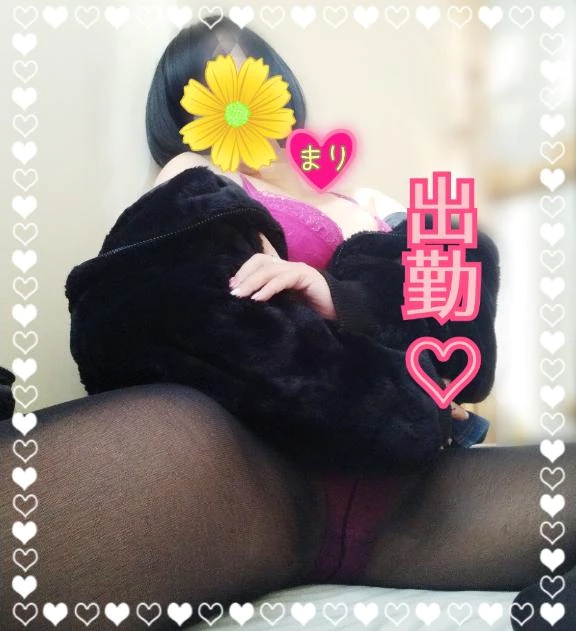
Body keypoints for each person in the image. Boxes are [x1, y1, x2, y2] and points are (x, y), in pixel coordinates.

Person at [1, 17, 574, 631]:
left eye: (258, 78)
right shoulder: (195, 181)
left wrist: (342, 299)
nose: (242, 99)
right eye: (210, 85)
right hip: (256, 480)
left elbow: (458, 338)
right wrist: (411, 387)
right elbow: (178, 325)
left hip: (405, 497)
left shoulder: (371, 204)